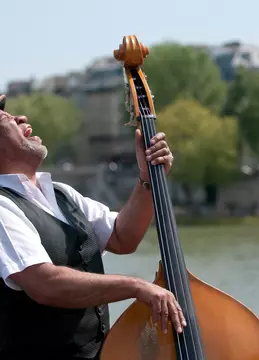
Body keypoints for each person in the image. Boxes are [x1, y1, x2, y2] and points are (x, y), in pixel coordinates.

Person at [0, 94, 186, 360]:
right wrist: (135, 286)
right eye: (6, 119)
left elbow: (123, 237)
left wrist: (147, 179)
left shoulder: (61, 193)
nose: (22, 118)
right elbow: (44, 283)